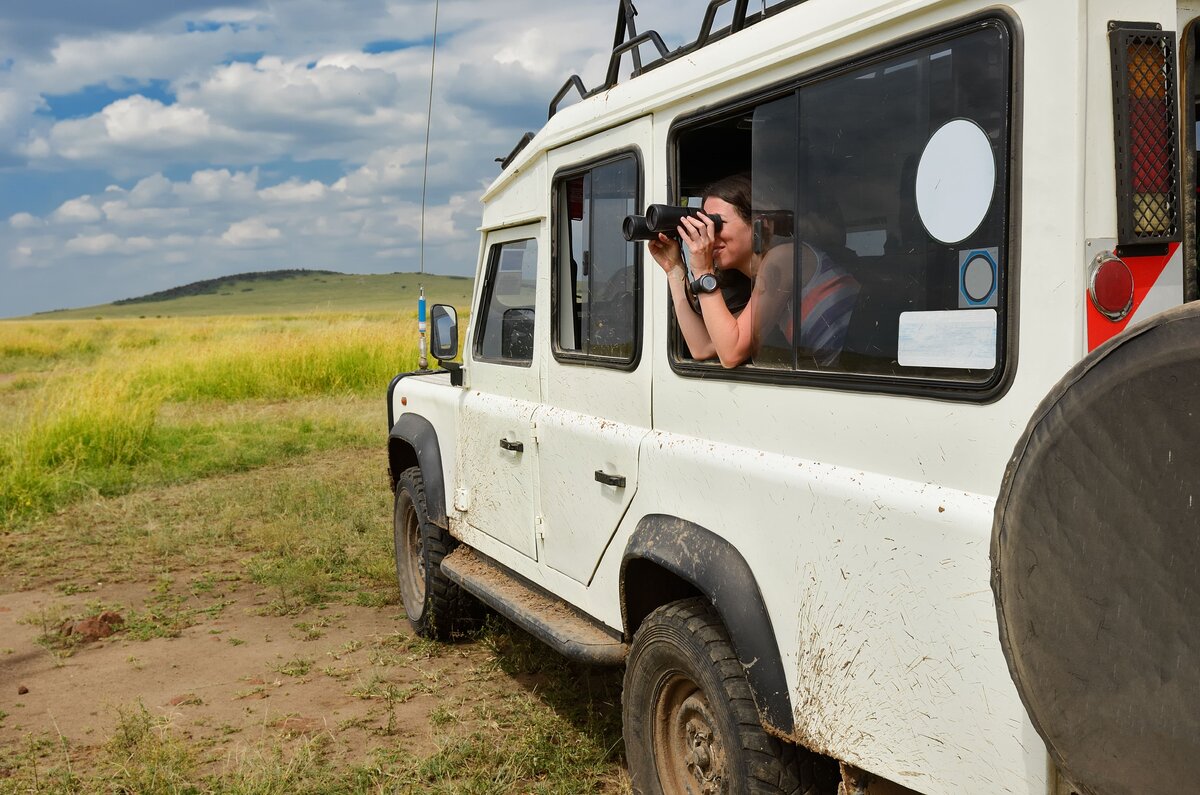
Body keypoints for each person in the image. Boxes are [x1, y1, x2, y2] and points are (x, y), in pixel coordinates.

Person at [648, 174, 858, 368]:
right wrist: (674, 269)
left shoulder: (785, 258)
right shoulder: (771, 283)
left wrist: (703, 270)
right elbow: (703, 347)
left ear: (760, 224)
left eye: (716, 223)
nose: (709, 235)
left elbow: (731, 354)